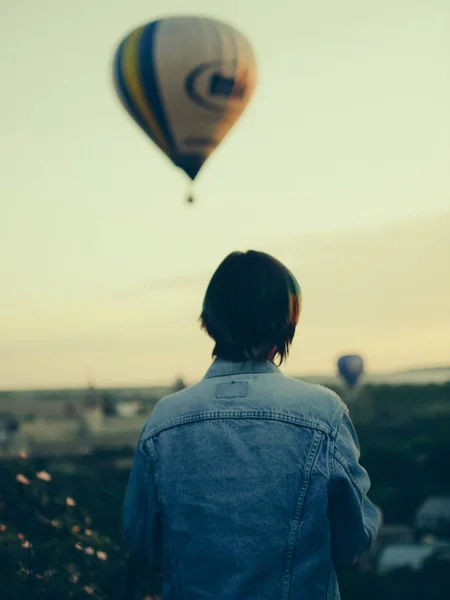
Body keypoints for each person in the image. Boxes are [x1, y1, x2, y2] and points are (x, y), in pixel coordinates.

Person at [123, 250, 381, 600]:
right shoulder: (323, 414)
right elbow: (353, 542)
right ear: (287, 321)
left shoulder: (164, 421)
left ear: (210, 319)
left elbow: (143, 546)